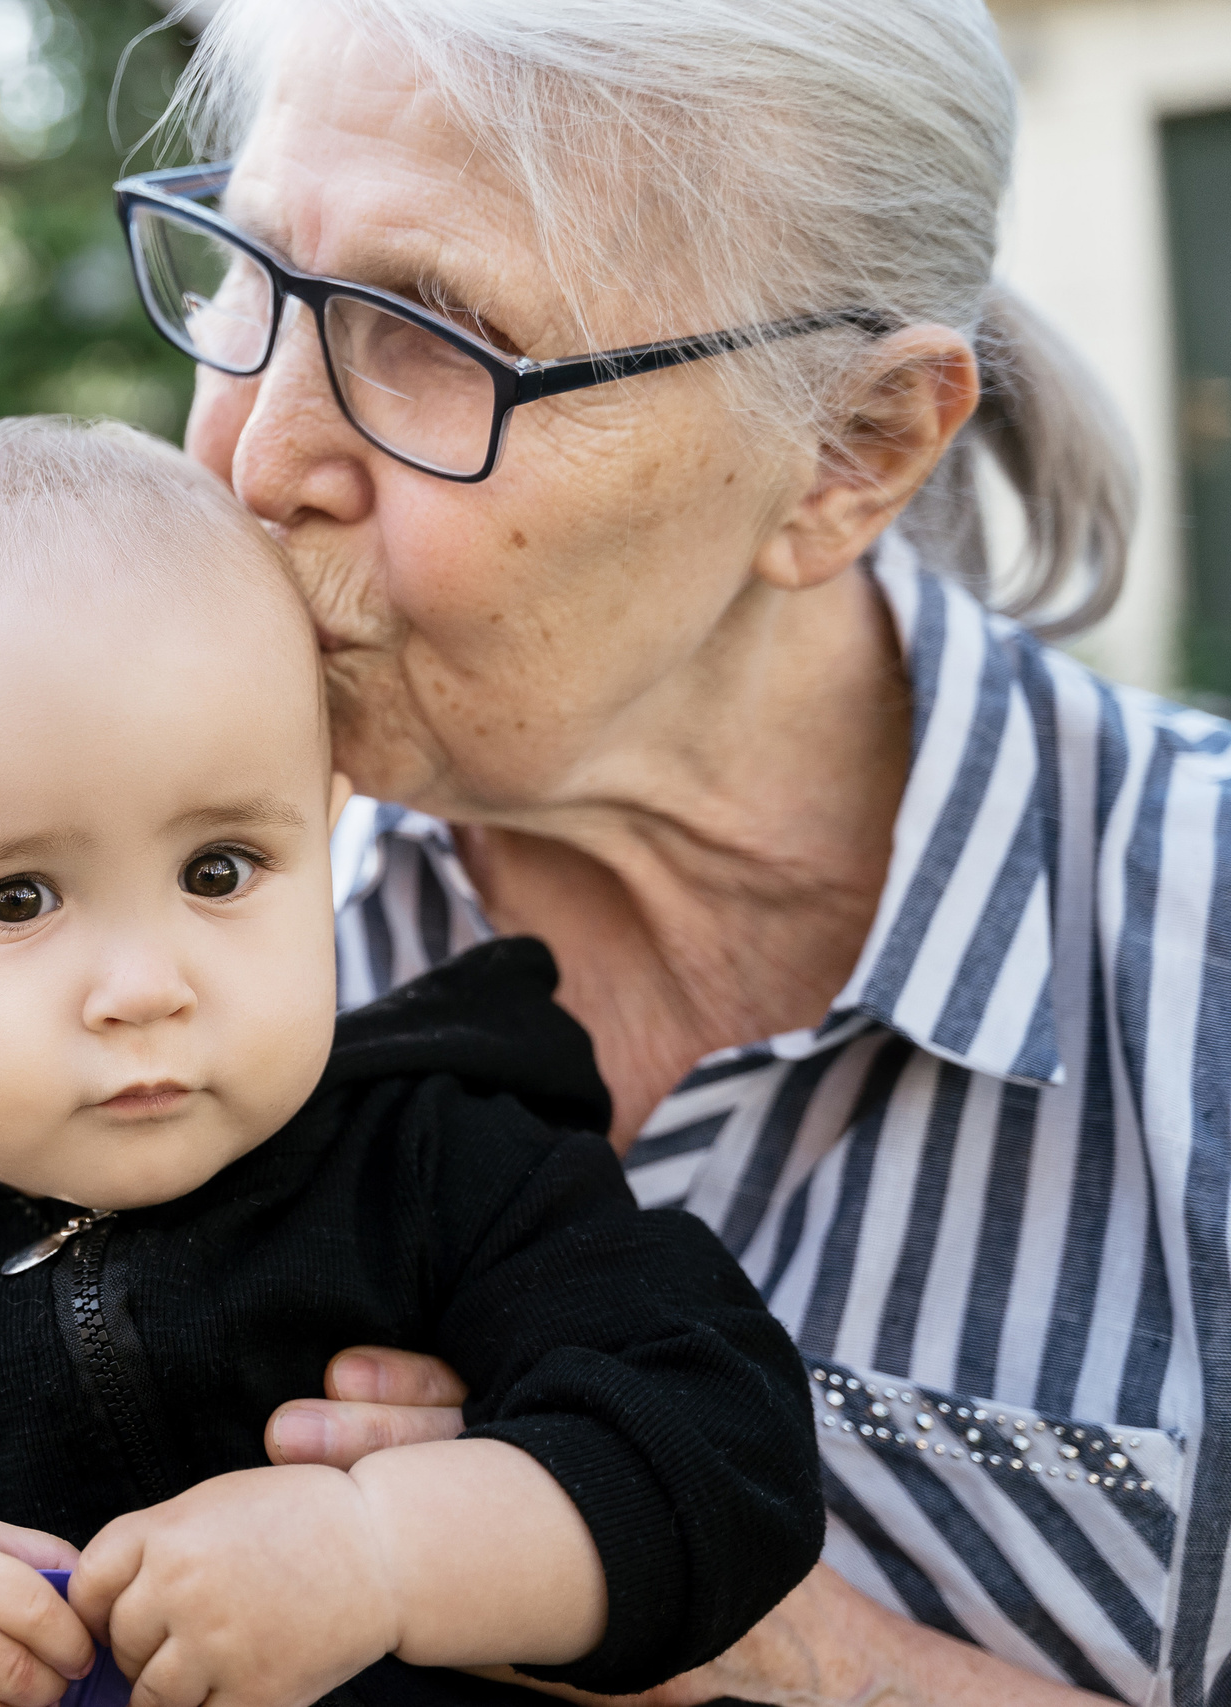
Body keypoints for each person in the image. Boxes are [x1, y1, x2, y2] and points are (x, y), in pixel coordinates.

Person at [126, 2, 1231, 1704]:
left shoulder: (1196, 957)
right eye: (249, 279)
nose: (255, 458)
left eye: (433, 333)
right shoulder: (169, 942)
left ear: (850, 455)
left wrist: (753, 1643)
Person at [0, 418, 824, 1707]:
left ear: (328, 840)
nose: (143, 988)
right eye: (17, 900)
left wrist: (387, 1554)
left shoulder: (437, 1167)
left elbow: (722, 1442)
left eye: (220, 871)